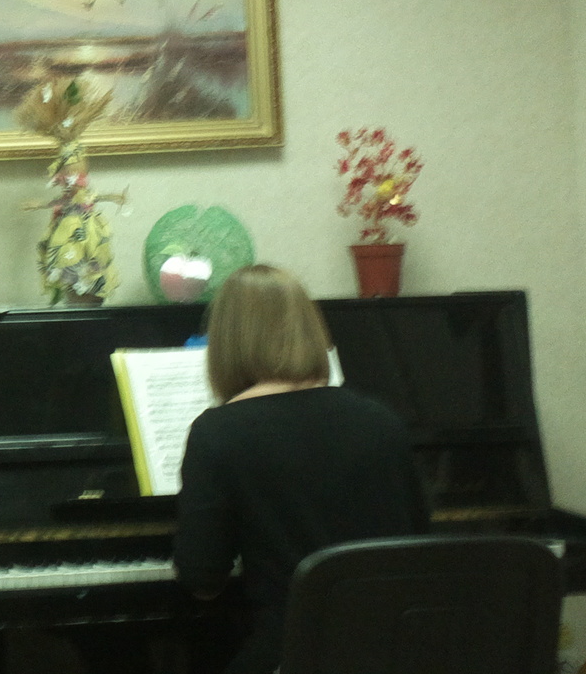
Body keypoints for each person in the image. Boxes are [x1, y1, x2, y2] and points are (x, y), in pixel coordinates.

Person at [174, 265, 428, 674]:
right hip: (394, 653)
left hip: (290, 654)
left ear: (225, 344)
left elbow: (202, 580)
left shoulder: (218, 432)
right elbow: (417, 547)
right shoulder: (382, 419)